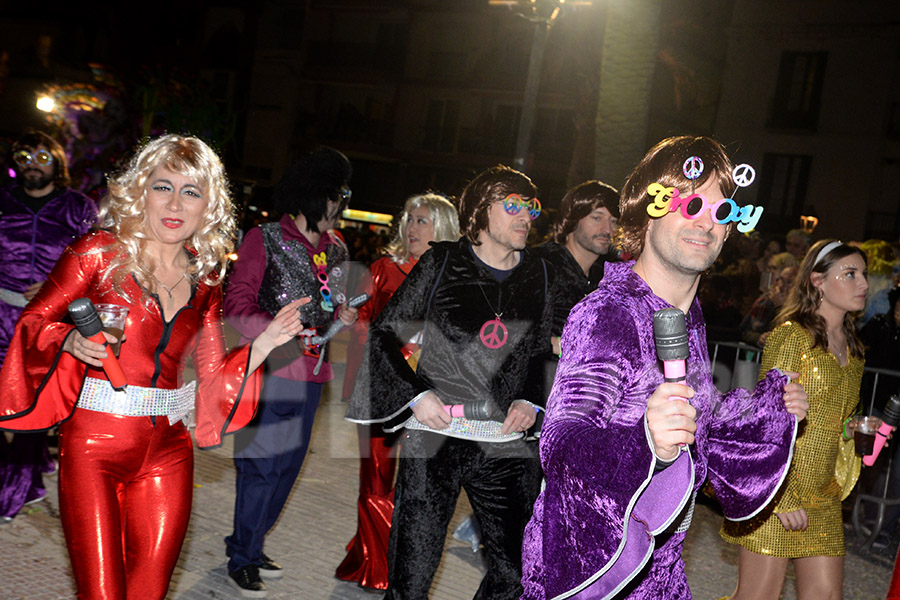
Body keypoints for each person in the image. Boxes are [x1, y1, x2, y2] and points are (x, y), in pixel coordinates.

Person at [0, 134, 307, 599]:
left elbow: (211, 372)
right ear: (140, 190)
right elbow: (33, 321)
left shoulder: (205, 279)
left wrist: (264, 343)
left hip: (169, 452)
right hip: (93, 447)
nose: (176, 203)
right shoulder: (97, 254)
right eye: (163, 185)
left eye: (192, 191)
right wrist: (71, 340)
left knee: (149, 592)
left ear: (209, 205)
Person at [520, 136, 809, 599]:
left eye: (722, 212)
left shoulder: (686, 317)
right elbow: (560, 445)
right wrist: (644, 442)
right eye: (690, 203)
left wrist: (767, 409)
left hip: (663, 572)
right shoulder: (609, 314)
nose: (707, 223)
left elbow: (700, 419)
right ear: (646, 211)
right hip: (596, 571)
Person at [347, 165, 555, 599]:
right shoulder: (442, 261)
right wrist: (415, 394)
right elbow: (385, 332)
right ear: (480, 210)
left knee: (515, 576)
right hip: (436, 437)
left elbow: (538, 350)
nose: (526, 217)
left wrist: (531, 400)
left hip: (505, 444)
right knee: (412, 576)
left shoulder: (540, 273)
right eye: (513, 205)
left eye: (531, 208)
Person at [223, 146, 358, 598]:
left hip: (315, 373)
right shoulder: (263, 239)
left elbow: (330, 303)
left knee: (287, 470)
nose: (342, 203)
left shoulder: (337, 248)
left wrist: (342, 313)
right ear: (314, 194)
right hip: (272, 370)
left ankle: (251, 540)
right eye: (338, 194)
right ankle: (242, 556)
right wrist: (275, 329)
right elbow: (236, 306)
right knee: (260, 467)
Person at [721, 239, 869, 599]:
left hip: (823, 494)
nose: (863, 284)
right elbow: (765, 421)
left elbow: (833, 419)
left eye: (864, 274)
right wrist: (780, 497)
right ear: (817, 280)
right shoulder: (791, 337)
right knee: (758, 596)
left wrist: (855, 429)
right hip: (780, 490)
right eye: (849, 274)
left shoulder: (854, 348)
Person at [335, 192, 460, 591]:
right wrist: (352, 319)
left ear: (441, 228)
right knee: (375, 483)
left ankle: (381, 559)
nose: (411, 228)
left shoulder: (453, 276)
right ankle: (377, 568)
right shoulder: (383, 269)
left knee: (416, 489)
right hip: (381, 394)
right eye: (409, 220)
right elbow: (365, 332)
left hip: (431, 397)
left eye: (421, 221)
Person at [0, 131, 97, 523]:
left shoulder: (79, 208)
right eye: (24, 156)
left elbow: (97, 261)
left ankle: (18, 488)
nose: (32, 163)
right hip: (1, 316)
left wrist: (62, 281)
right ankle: (35, 463)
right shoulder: (3, 203)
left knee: (29, 406)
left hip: (47, 323)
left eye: (41, 156)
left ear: (57, 162)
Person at [537, 179, 619, 340]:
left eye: (613, 221)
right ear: (572, 220)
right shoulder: (542, 266)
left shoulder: (609, 276)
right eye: (597, 218)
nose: (608, 229)